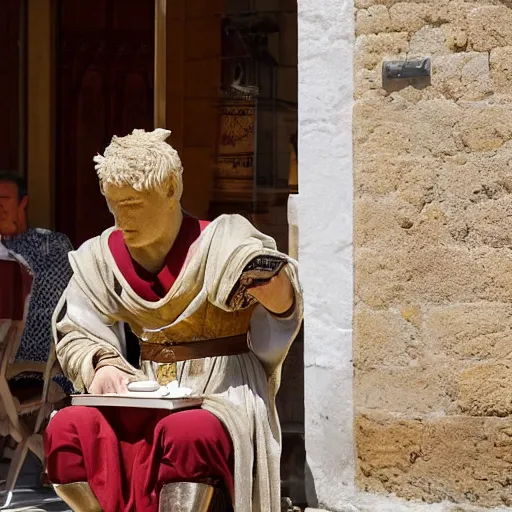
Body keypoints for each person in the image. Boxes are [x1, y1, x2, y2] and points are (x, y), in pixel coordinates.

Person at [44, 129, 303, 512]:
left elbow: (278, 301)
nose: (122, 218)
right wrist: (101, 363)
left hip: (222, 390)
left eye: (133, 204)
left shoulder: (223, 240)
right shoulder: (101, 256)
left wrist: (275, 290)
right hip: (145, 392)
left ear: (169, 190)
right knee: (67, 427)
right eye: (114, 204)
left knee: (185, 432)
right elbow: (76, 327)